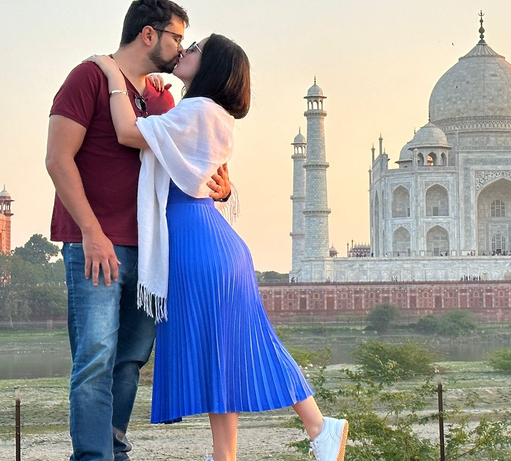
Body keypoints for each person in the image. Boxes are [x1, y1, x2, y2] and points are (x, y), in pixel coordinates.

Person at [88, 34, 348, 461]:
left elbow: (126, 131)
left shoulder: (199, 110)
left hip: (198, 246)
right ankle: (238, 451)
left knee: (232, 348)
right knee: (223, 353)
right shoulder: (208, 115)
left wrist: (112, 74)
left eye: (195, 49)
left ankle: (319, 425)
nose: (185, 52)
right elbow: (206, 175)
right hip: (210, 244)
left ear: (212, 67)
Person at [45, 0, 231, 461]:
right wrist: (91, 232)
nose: (182, 49)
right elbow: (57, 158)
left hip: (150, 250)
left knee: (129, 360)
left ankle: (114, 449)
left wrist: (223, 188)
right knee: (95, 360)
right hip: (97, 246)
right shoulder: (89, 77)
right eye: (178, 38)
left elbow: (191, 162)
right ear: (149, 34)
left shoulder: (161, 97)